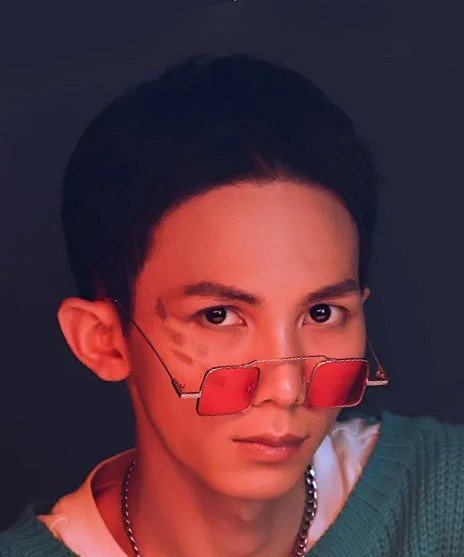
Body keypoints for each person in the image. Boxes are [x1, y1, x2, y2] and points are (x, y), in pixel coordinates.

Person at [1, 53, 463, 557]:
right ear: (104, 341)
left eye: (322, 313)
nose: (287, 389)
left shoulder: (445, 493)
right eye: (218, 316)